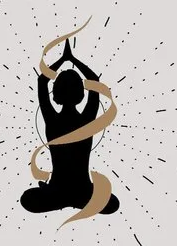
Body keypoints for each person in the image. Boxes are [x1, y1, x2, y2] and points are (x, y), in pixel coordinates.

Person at [21, 38, 120, 216]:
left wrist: (64, 59)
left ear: (55, 94)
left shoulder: (52, 119)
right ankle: (77, 200)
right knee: (110, 203)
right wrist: (72, 59)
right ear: (81, 94)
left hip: (60, 190)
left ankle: (65, 198)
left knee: (28, 199)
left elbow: (42, 81)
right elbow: (94, 80)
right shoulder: (87, 120)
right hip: (80, 191)